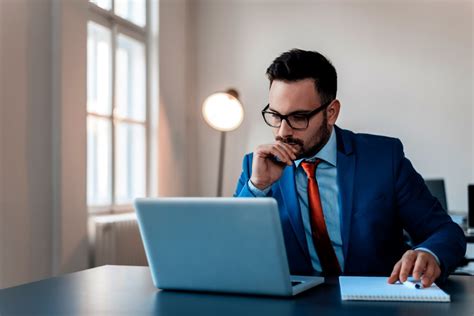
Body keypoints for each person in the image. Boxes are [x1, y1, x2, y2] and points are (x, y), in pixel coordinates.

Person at [234, 49, 466, 287]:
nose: (283, 131)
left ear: (331, 112)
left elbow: (446, 232)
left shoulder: (384, 158)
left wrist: (429, 253)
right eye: (275, 115)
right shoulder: (256, 167)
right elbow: (231, 250)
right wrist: (257, 187)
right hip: (297, 305)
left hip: (376, 304)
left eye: (299, 117)